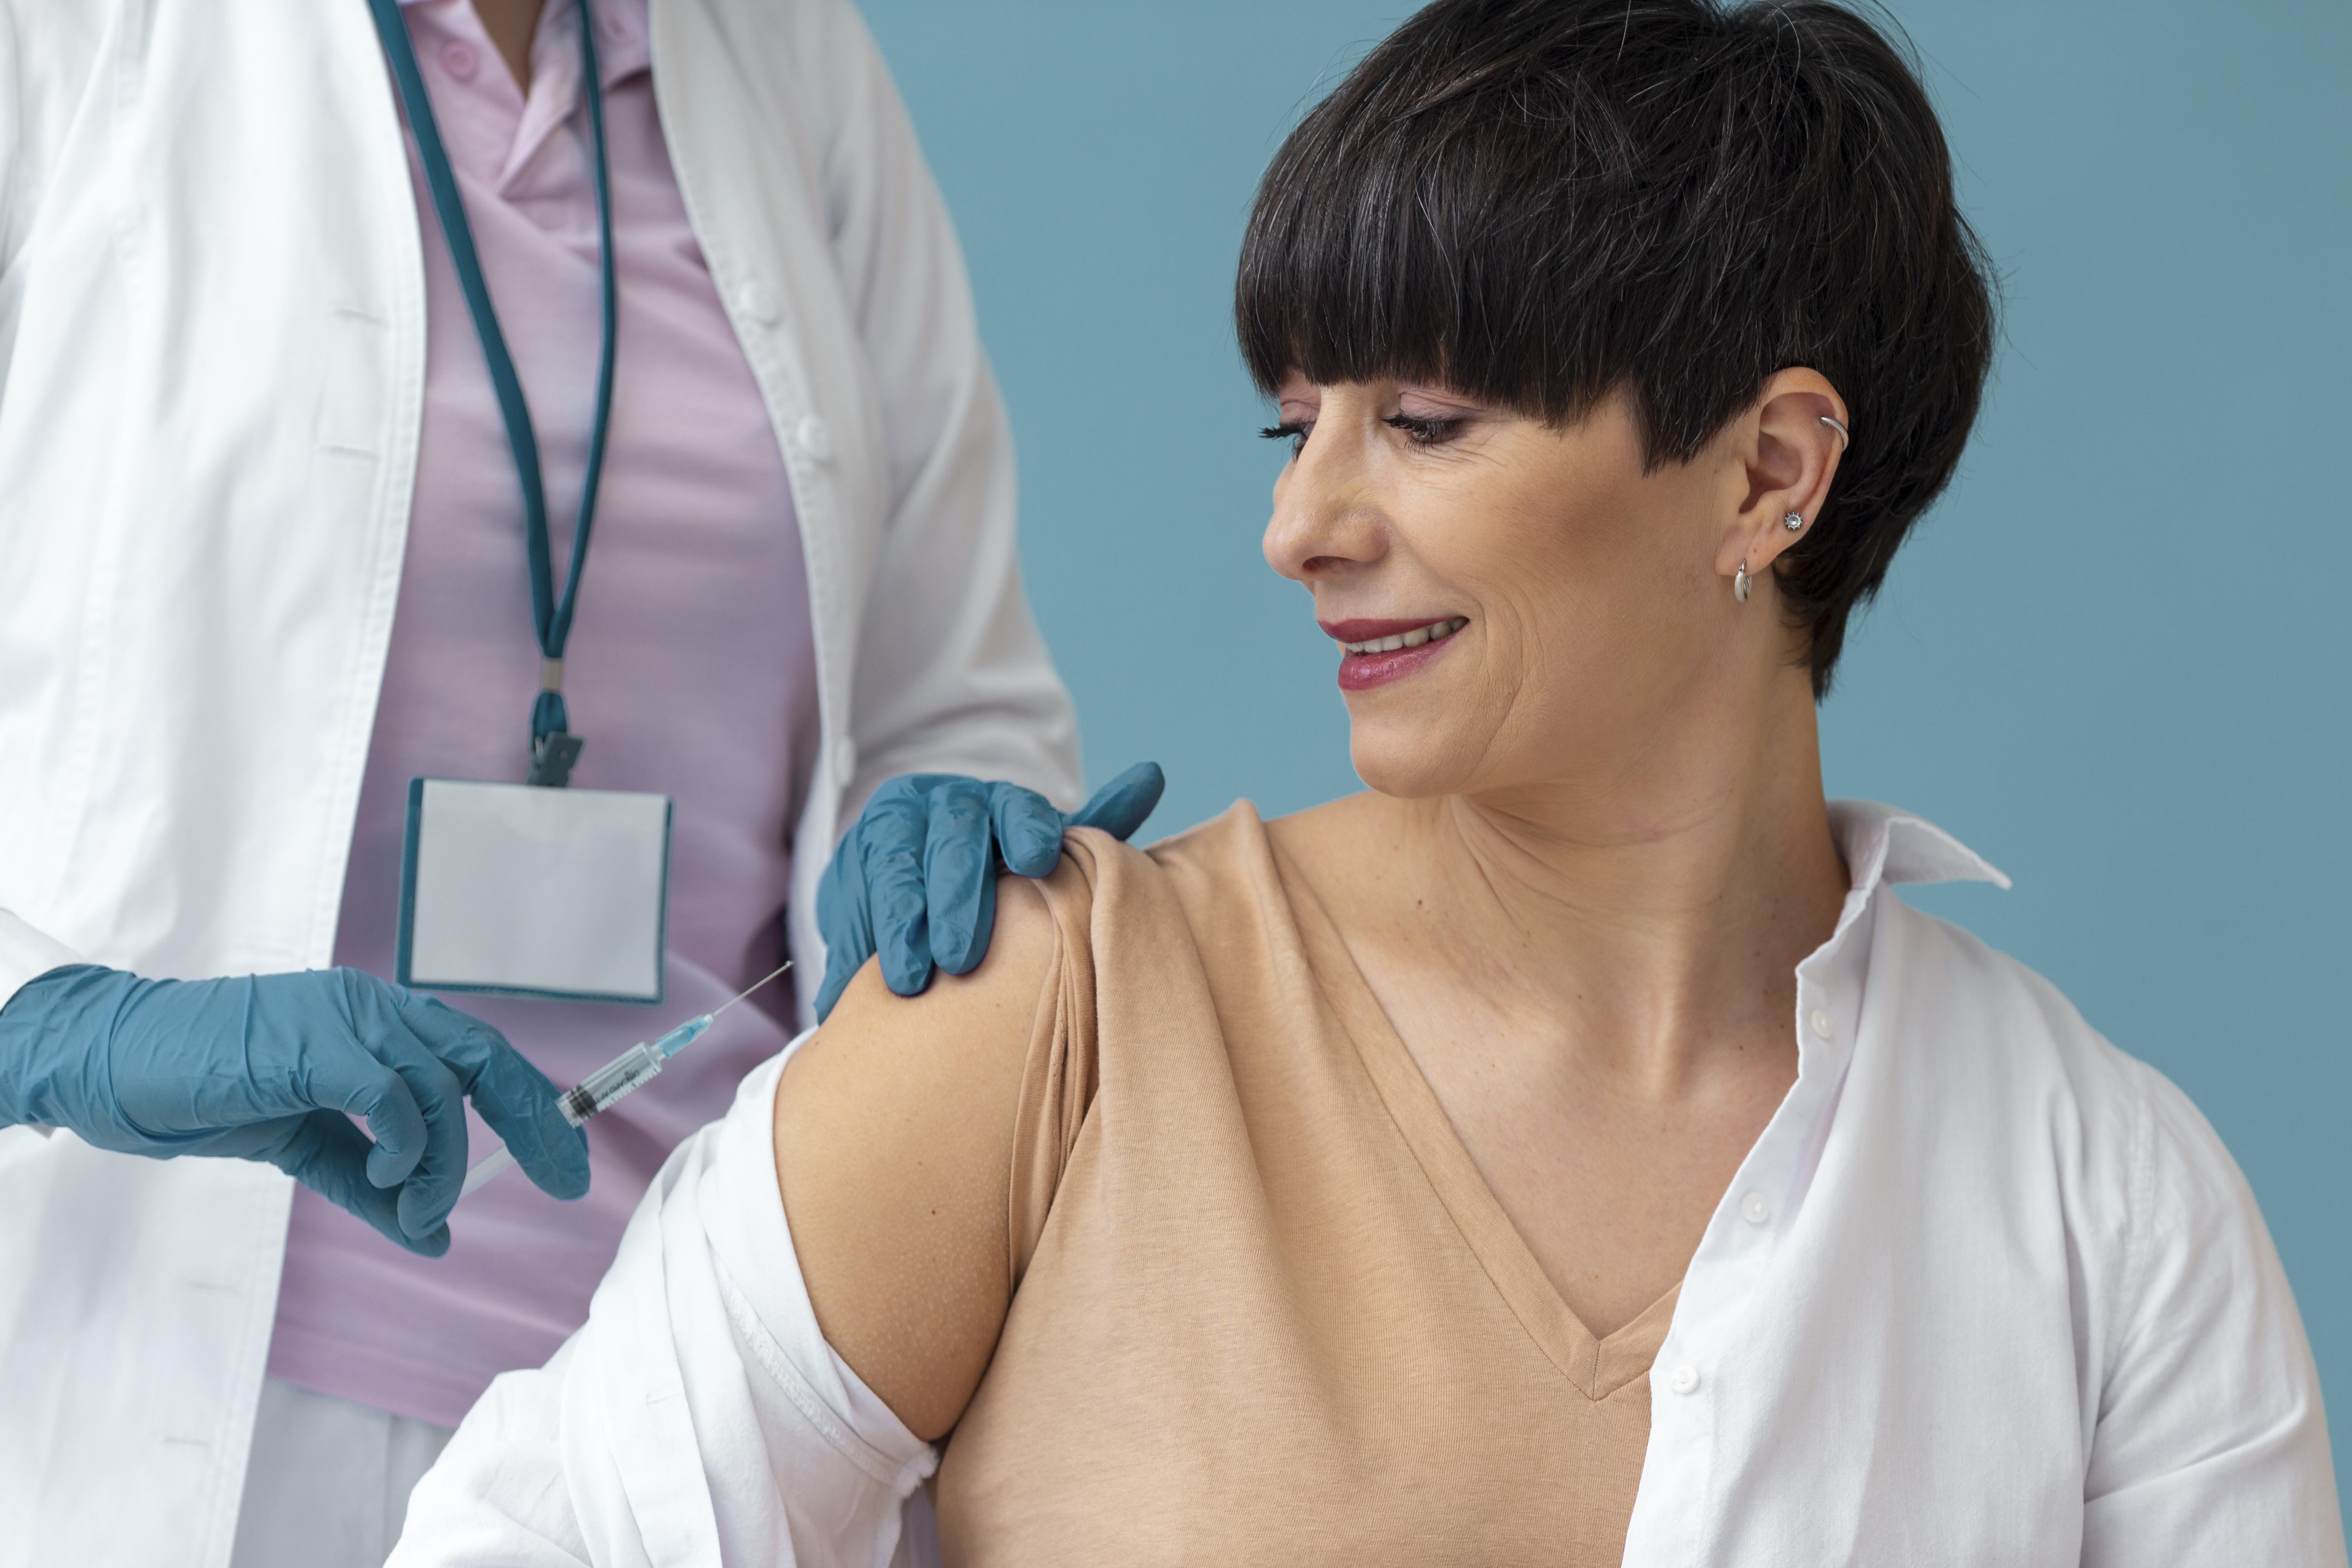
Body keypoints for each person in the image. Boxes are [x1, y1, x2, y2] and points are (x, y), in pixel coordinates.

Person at [392, 0, 2344, 1563]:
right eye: (1293, 421)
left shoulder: (2106, 1205)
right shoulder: (1054, 1029)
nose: (1299, 523)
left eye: (1421, 423)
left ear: (1769, 475)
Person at [0, 0, 1159, 1563]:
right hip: (163, 1402)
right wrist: (49, 1027)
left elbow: (953, 684)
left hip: (705, 1412)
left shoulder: (786, 57)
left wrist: (947, 825)